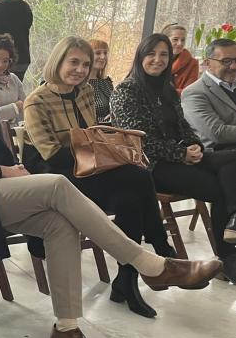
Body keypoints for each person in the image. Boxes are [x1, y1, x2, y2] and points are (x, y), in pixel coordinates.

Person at [0, 30, 220, 338]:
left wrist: (9, 168)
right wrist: (4, 170)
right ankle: (152, 265)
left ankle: (67, 328)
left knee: (62, 224)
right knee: (59, 185)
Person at [22, 37, 179, 319]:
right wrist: (98, 150)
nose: (80, 70)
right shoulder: (36, 101)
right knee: (137, 174)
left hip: (88, 167)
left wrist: (100, 148)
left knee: (130, 200)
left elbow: (91, 132)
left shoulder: (85, 92)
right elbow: (51, 154)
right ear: (58, 61)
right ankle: (161, 245)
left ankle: (127, 282)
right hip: (55, 176)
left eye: (85, 64)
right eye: (74, 62)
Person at [111, 34, 236, 283]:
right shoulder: (126, 91)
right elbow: (138, 140)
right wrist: (182, 154)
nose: (158, 60)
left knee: (231, 163)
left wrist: (193, 146)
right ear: (140, 57)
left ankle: (233, 225)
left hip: (179, 158)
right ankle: (229, 258)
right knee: (222, 186)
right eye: (152, 54)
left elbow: (185, 128)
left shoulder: (167, 90)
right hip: (149, 166)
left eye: (164, 55)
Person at [182, 38, 236, 152]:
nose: (233, 66)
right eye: (226, 61)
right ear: (208, 63)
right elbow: (217, 133)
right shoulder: (194, 92)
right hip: (220, 155)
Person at [161, 23, 199, 95]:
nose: (180, 43)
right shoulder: (155, 59)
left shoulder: (192, 63)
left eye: (183, 40)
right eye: (175, 39)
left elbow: (189, 92)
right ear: (165, 40)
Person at [87, 39, 114, 124]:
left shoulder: (107, 82)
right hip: (91, 132)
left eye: (105, 53)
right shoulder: (79, 85)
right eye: (98, 53)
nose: (103, 57)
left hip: (111, 131)